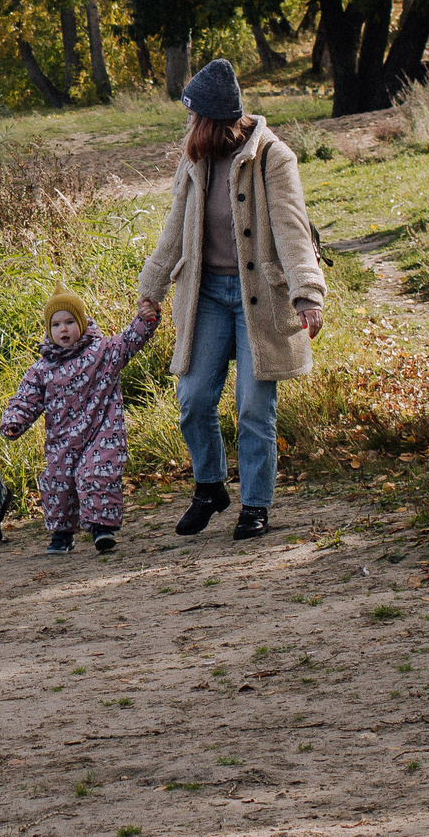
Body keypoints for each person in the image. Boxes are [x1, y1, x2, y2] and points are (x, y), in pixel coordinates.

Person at [135, 58, 326, 542]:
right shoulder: (194, 159)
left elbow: (292, 228)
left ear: (212, 120)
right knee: (194, 397)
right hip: (208, 298)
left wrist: (307, 294)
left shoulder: (272, 157)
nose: (188, 125)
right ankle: (210, 486)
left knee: (252, 408)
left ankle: (256, 505)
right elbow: (174, 229)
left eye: (193, 116)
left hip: (258, 298)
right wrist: (150, 290)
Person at [0, 289, 162, 555]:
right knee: (57, 481)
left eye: (70, 322)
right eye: (56, 324)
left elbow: (130, 341)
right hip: (62, 439)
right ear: (49, 330)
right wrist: (15, 420)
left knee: (95, 473)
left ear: (82, 323)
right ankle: (62, 535)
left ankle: (101, 529)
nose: (63, 329)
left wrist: (145, 319)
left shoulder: (103, 352)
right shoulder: (43, 368)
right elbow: (26, 398)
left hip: (102, 432)